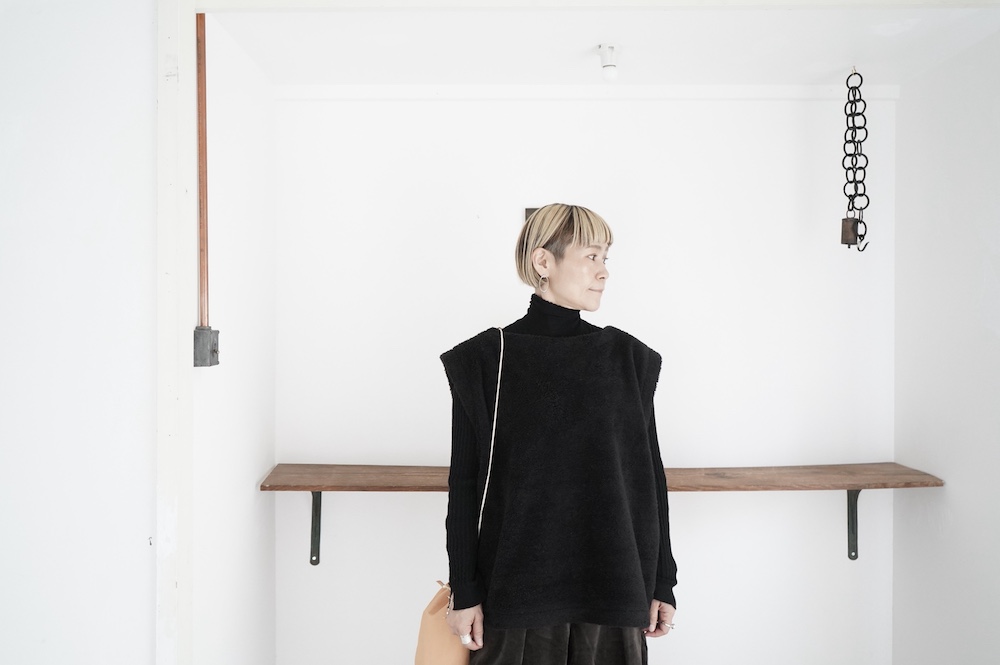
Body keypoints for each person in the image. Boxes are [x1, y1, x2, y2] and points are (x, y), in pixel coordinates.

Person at [440, 203, 677, 665]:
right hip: (514, 598)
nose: (603, 272)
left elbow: (650, 479)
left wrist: (662, 581)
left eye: (606, 258)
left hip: (616, 590)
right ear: (543, 261)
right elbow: (465, 484)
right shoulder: (487, 360)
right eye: (591, 256)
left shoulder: (628, 359)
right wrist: (463, 589)